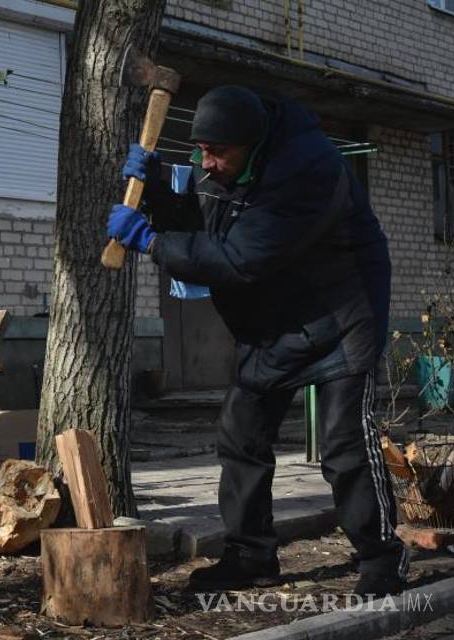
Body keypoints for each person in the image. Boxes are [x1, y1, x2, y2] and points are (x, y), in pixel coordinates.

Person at [107, 86, 406, 596]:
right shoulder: (226, 165)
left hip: (339, 316)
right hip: (273, 321)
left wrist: (153, 243)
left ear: (253, 141)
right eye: (201, 150)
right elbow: (205, 229)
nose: (207, 162)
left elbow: (240, 259)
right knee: (241, 434)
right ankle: (250, 557)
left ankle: (382, 558)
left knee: (344, 445)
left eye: (217, 151)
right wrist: (155, 190)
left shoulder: (308, 170)